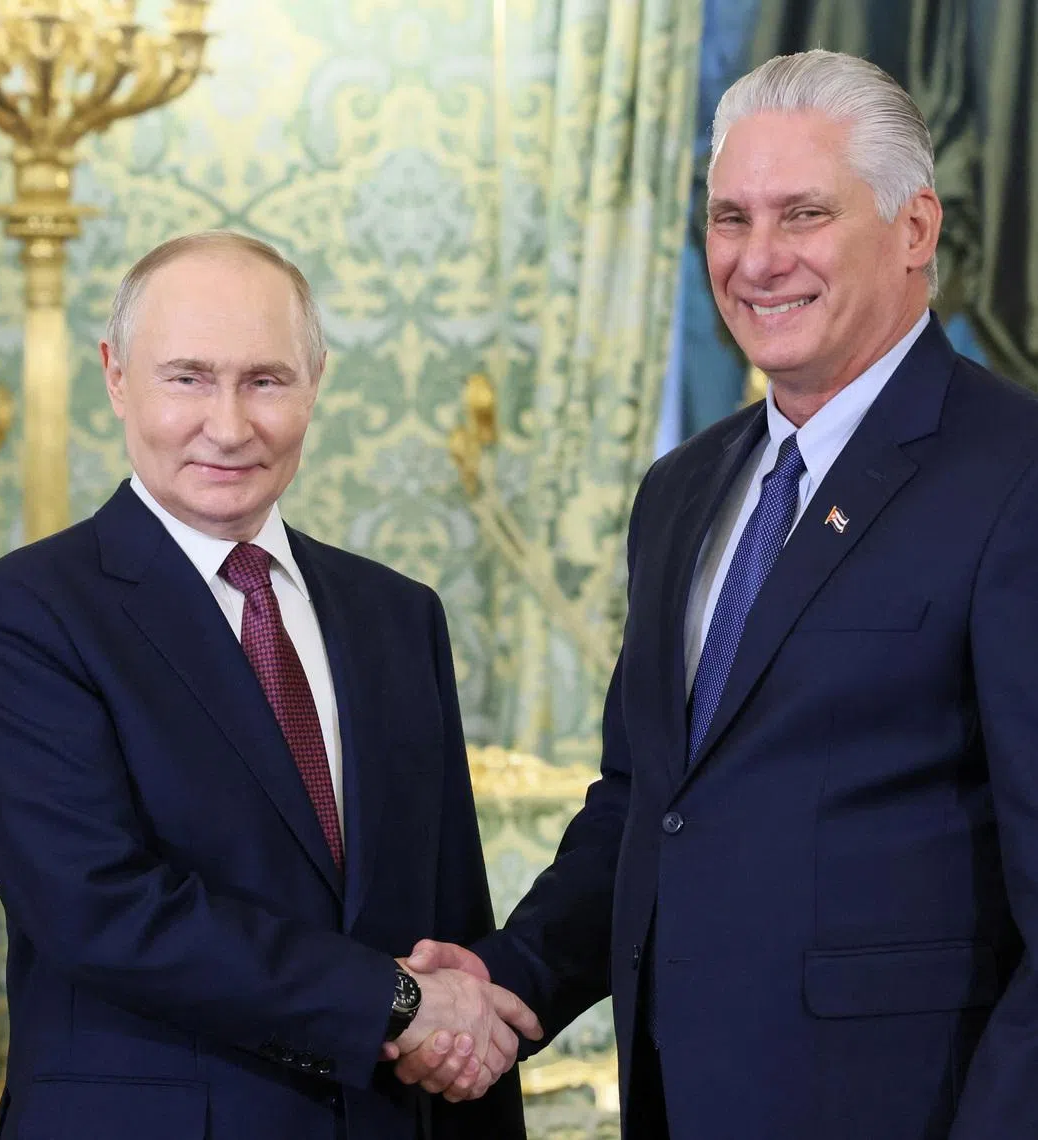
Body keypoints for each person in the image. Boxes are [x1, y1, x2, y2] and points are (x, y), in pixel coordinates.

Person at [396, 49, 1038, 1140]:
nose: (758, 259)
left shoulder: (1016, 475)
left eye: (804, 215)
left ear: (916, 229)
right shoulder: (682, 489)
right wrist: (511, 979)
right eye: (730, 219)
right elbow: (649, 803)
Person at [0, 230, 540, 1140]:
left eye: (265, 380)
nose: (229, 426)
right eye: (188, 378)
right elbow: (100, 910)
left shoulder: (398, 615)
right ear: (116, 377)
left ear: (316, 383)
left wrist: (464, 1050)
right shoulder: (24, 615)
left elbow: (450, 914)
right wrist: (393, 1003)